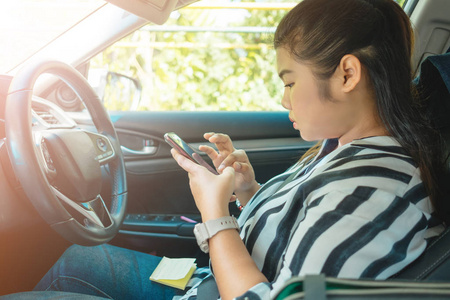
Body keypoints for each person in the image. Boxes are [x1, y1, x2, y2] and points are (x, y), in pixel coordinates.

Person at [33, 0, 447, 299]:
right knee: (77, 259)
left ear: (347, 73)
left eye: (289, 82)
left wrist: (216, 217)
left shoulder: (372, 191)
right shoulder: (343, 149)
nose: (284, 100)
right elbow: (297, 236)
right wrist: (249, 192)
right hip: (204, 285)